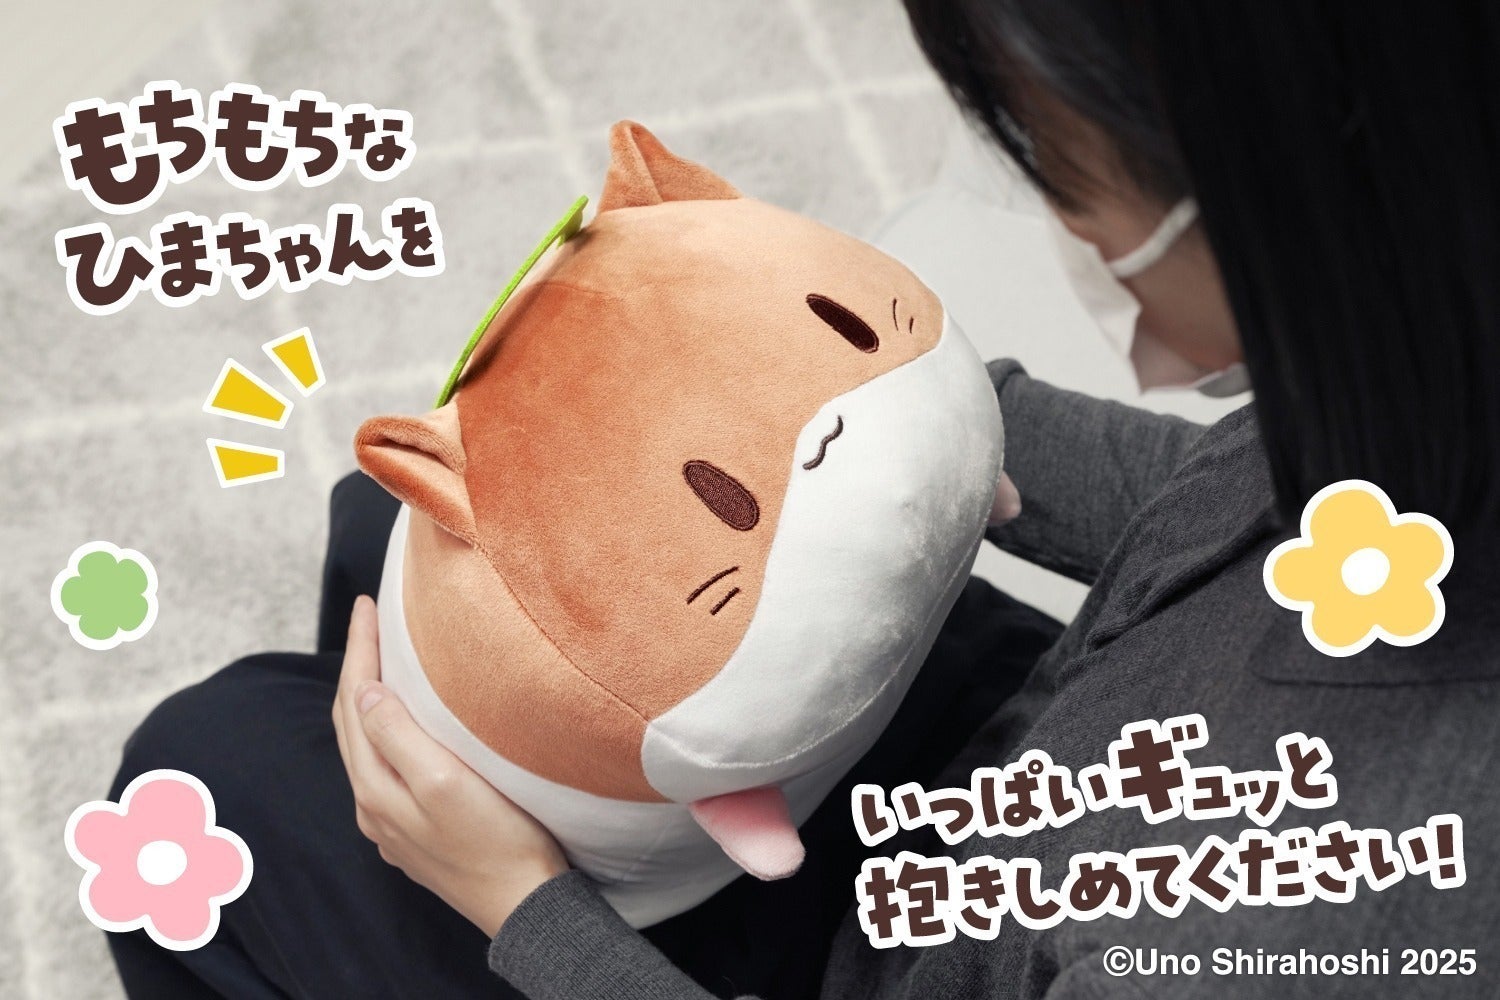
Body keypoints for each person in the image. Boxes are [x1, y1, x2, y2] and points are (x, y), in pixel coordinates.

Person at [109, 1, 1500, 997]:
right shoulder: (1429, 388)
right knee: (403, 534)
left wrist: (524, 911)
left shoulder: (1317, 922)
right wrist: (859, 401)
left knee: (200, 770)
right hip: (1032, 750)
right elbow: (1234, 510)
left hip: (914, 949)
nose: (1060, 227)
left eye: (1068, 181)